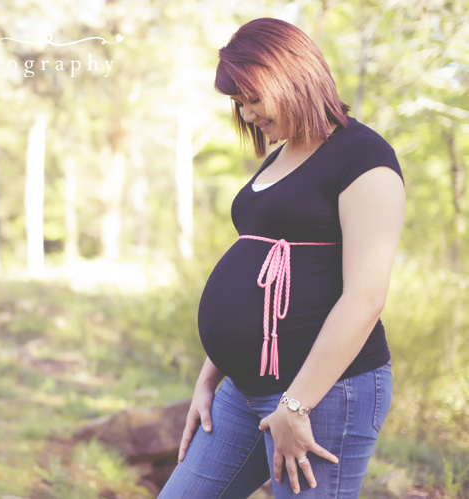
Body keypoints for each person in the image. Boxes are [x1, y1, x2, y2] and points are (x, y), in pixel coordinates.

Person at [159, 18, 405, 498]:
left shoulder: (364, 158)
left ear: (290, 76)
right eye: (238, 103)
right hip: (242, 390)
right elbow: (256, 276)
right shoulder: (280, 154)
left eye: (253, 98)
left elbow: (366, 297)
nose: (247, 115)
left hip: (325, 394)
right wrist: (212, 373)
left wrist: (297, 406)